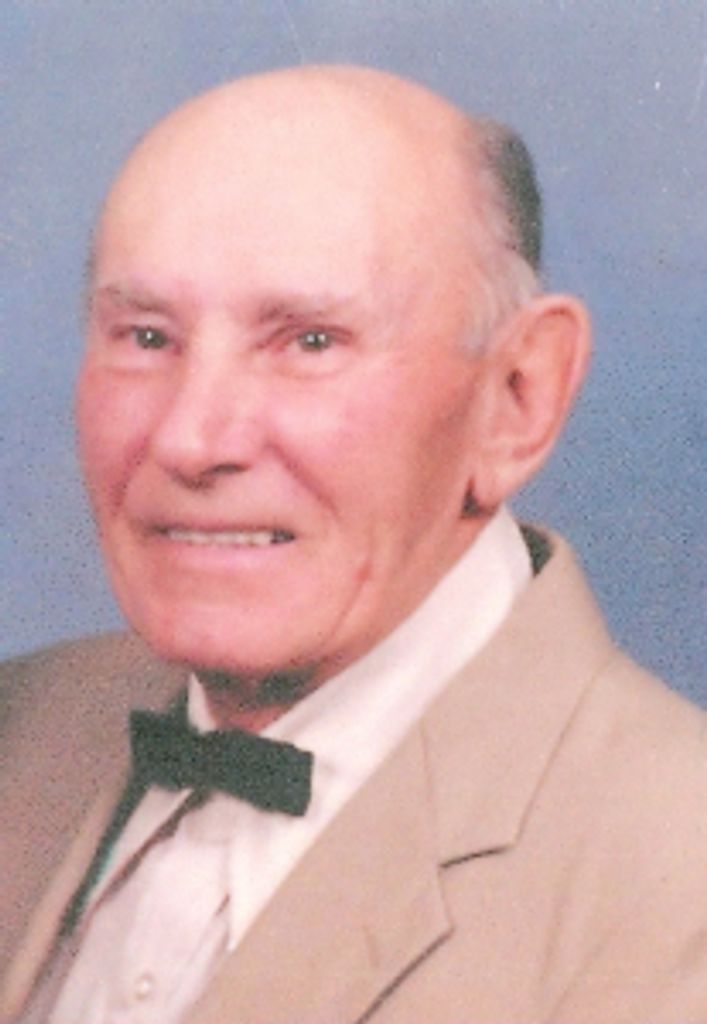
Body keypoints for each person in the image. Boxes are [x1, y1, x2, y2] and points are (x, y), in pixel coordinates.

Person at [1, 64, 706, 1024]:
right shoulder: (23, 721)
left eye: (310, 342)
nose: (191, 440)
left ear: (517, 397)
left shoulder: (677, 877)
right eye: (147, 337)